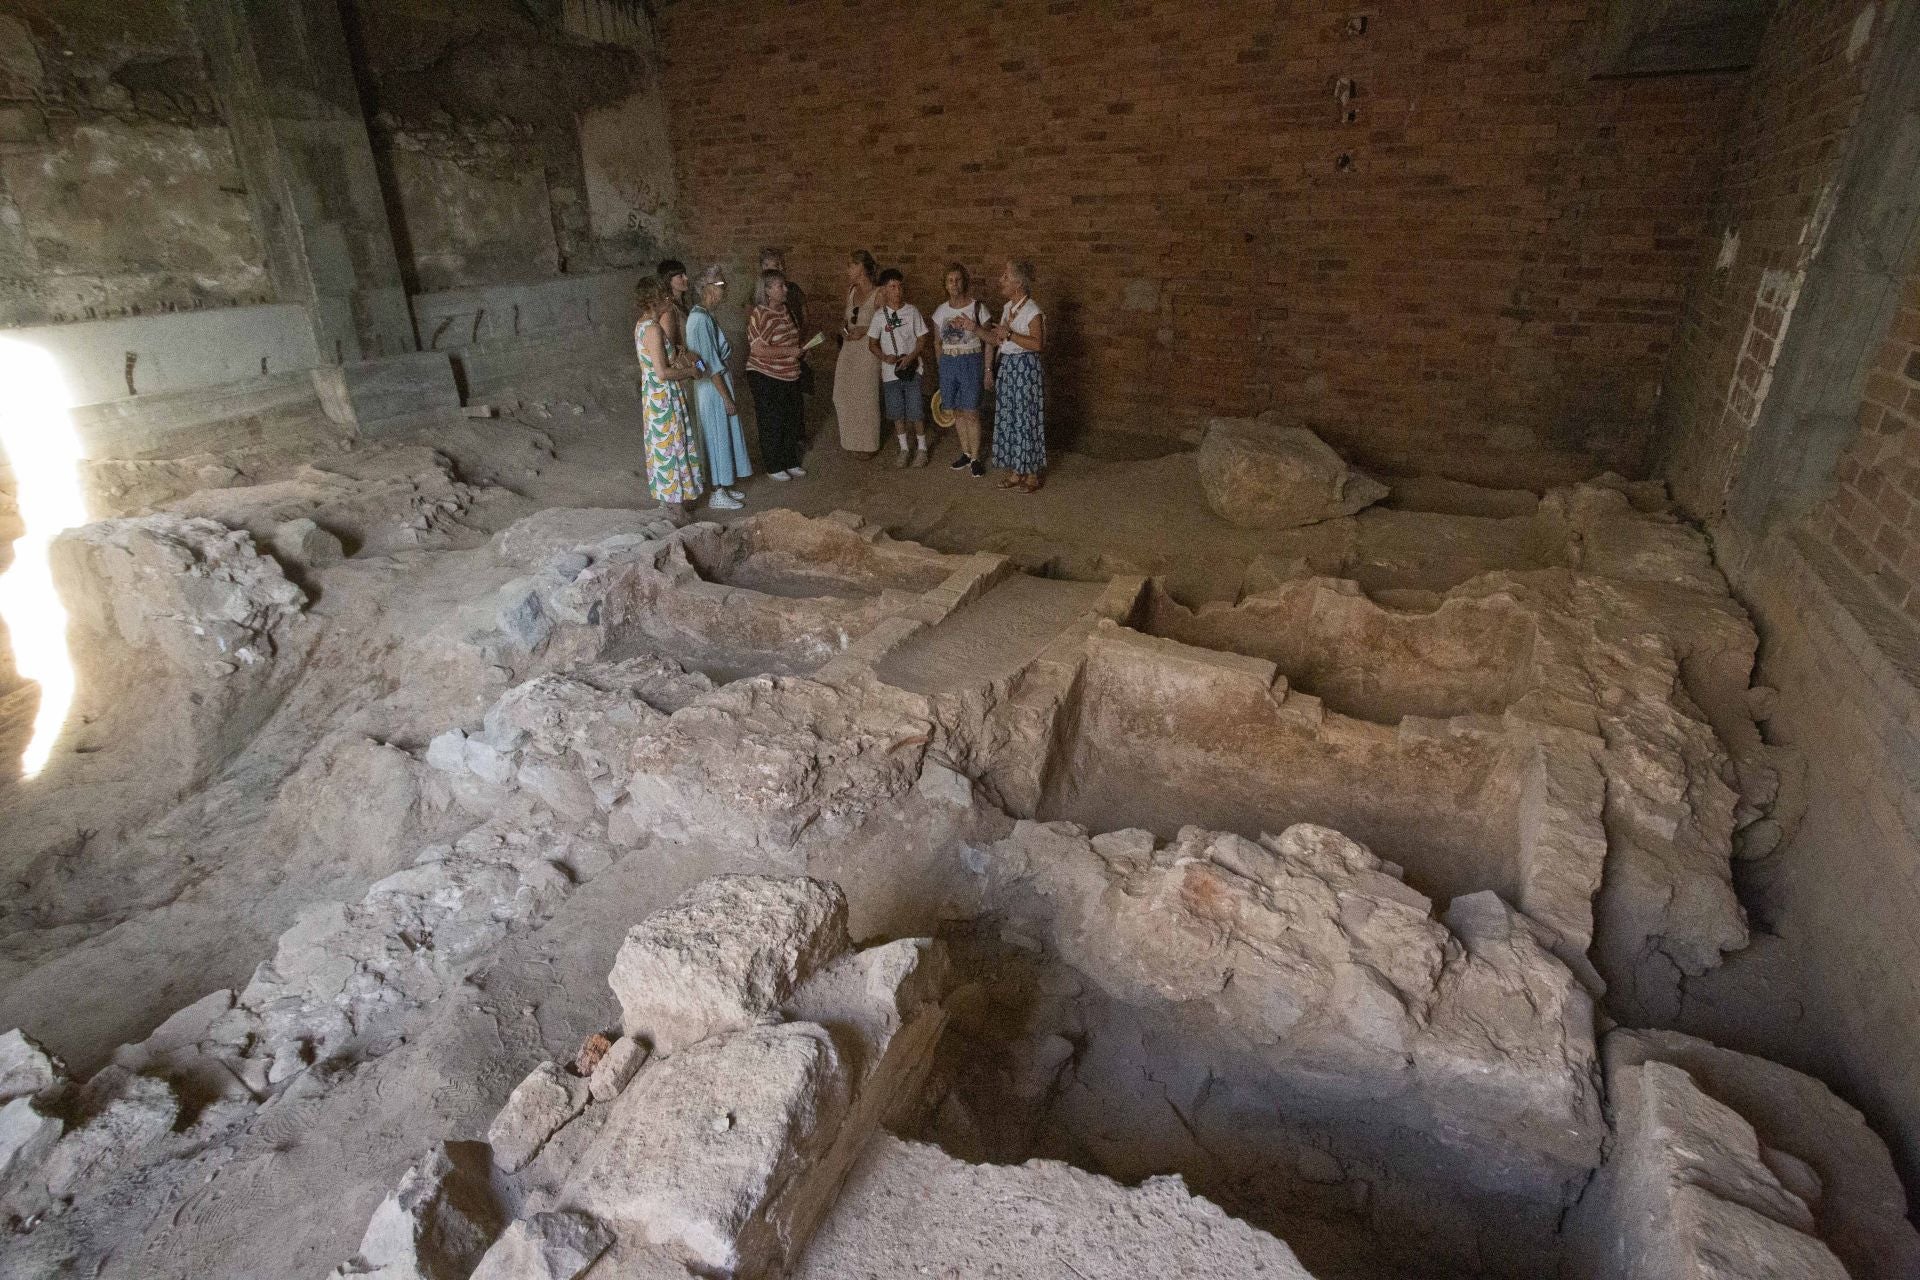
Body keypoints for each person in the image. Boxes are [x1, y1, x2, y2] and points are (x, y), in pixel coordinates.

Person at [967, 258, 1046, 492]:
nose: (1001, 280)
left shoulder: (1033, 310)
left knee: (1026, 419)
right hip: (1009, 368)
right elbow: (997, 339)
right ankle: (1016, 470)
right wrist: (975, 329)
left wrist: (1010, 335)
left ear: (1019, 283)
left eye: (1006, 276)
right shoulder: (1007, 309)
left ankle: (1031, 473)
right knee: (1010, 418)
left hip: (1025, 368)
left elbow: (1038, 344)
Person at [632, 276, 705, 515]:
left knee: (668, 445)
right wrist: (690, 371)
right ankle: (674, 506)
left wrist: (683, 354)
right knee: (670, 446)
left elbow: (664, 359)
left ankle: (674, 502)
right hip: (662, 395)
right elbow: (662, 372)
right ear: (655, 302)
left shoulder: (643, 324)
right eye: (665, 297)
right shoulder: (652, 329)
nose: (670, 301)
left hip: (657, 394)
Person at [684, 264, 750, 509]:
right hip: (712, 390)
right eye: (721, 285)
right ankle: (717, 491)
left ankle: (724, 484)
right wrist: (726, 398)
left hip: (716, 385)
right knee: (716, 435)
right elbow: (709, 363)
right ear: (708, 289)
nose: (725, 289)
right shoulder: (699, 320)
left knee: (723, 434)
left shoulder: (706, 315)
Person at [747, 269, 811, 480]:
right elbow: (758, 349)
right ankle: (774, 465)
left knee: (790, 419)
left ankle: (790, 460)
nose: (785, 290)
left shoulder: (784, 309)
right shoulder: (760, 314)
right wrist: (789, 352)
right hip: (766, 375)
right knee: (772, 421)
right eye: (780, 286)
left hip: (789, 373)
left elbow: (789, 338)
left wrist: (799, 349)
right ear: (767, 290)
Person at [931, 263, 992, 478]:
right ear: (945, 285)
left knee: (971, 411)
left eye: (957, 279)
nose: (954, 284)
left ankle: (976, 457)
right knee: (956, 410)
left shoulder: (977, 308)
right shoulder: (941, 311)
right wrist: (942, 366)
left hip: (971, 360)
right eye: (950, 280)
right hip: (950, 361)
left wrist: (987, 369)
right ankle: (965, 452)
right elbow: (937, 342)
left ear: (964, 281)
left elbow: (990, 341)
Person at [867, 267, 931, 467]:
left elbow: (922, 338)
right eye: (892, 287)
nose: (897, 290)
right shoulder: (879, 316)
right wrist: (884, 357)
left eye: (899, 286)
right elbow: (872, 343)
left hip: (911, 369)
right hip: (890, 373)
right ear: (884, 290)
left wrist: (912, 356)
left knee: (915, 411)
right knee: (896, 412)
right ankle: (904, 448)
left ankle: (922, 449)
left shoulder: (912, 312)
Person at [833, 250, 883, 453]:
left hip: (868, 349)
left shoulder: (879, 294)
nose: (848, 270)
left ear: (862, 267)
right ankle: (851, 441)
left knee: (866, 395)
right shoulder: (852, 291)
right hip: (849, 348)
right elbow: (845, 320)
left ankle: (868, 444)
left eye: (851, 265)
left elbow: (887, 325)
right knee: (842, 392)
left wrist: (867, 330)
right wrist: (844, 331)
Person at [761, 247, 812, 397]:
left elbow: (805, 316)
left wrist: (799, 339)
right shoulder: (759, 298)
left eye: (776, 266)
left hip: (795, 344)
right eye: (768, 266)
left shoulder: (793, 289)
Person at [656, 258, 691, 348]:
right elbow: (668, 346)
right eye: (680, 276)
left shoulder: (684, 304)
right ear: (668, 280)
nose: (686, 278)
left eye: (685, 274)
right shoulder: (668, 309)